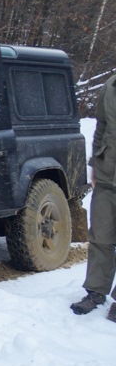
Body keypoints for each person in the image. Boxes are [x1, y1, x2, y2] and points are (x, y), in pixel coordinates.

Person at [73, 74, 116, 322]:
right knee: (100, 236)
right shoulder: (110, 85)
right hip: (107, 174)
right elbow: (101, 126)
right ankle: (96, 292)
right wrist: (93, 165)